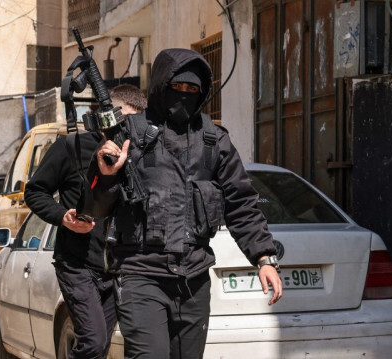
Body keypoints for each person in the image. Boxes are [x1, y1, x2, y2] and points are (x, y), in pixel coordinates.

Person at [89, 48, 283, 359]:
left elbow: (241, 202)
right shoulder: (129, 134)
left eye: (192, 89)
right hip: (141, 277)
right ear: (161, 87)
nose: (184, 95)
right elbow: (97, 207)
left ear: (203, 92)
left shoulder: (214, 140)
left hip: (193, 281)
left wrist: (263, 258)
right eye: (177, 87)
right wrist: (107, 173)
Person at [24, 85, 146, 359]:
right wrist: (62, 217)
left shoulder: (142, 154)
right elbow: (34, 191)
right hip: (77, 265)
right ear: (106, 115)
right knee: (92, 342)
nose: (128, 129)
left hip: (120, 267)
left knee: (100, 348)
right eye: (122, 119)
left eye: (135, 122)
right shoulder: (71, 147)